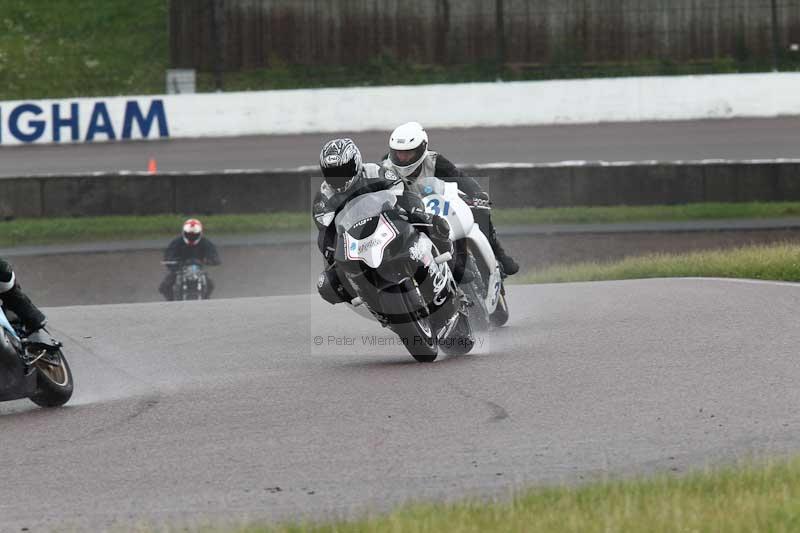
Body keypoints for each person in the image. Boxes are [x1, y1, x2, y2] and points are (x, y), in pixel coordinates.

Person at [314, 138, 451, 305]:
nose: (338, 177)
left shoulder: (376, 171)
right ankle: (366, 294)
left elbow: (403, 194)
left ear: (356, 164)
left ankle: (450, 264)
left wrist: (412, 212)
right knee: (326, 283)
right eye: (332, 173)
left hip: (389, 225)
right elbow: (325, 234)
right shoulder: (323, 198)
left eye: (343, 170)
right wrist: (332, 253)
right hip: (357, 245)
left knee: (435, 223)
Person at [382, 121, 519, 275]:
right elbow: (375, 191)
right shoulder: (386, 167)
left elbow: (460, 178)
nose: (402, 158)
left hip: (437, 205)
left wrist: (477, 194)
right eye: (398, 153)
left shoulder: (433, 160)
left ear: (421, 149)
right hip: (407, 213)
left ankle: (499, 255)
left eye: (408, 153)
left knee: (480, 211)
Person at [158, 218, 221, 300]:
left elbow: (213, 254)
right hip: (180, 269)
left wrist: (212, 260)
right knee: (164, 287)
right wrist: (171, 261)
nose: (191, 236)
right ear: (184, 232)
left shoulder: (205, 242)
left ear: (200, 233)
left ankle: (205, 300)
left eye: (194, 234)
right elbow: (169, 254)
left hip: (199, 270)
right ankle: (171, 302)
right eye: (189, 234)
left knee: (210, 285)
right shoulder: (177, 242)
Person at [0, 260, 47, 333]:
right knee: (13, 296)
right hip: (6, 274)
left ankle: (32, 319)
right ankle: (34, 318)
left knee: (11, 296)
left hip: (4, 276)